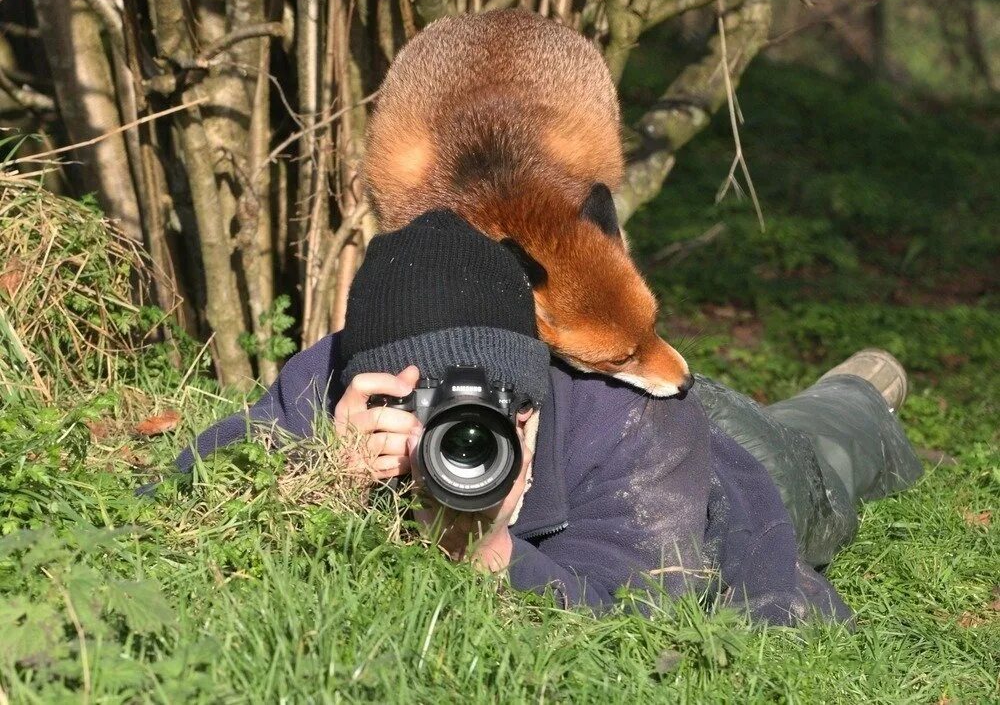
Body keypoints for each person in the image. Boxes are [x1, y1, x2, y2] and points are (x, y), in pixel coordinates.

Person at [159, 210, 923, 626]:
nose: (461, 436)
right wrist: (318, 468)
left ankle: (860, 390)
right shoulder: (338, 382)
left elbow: (638, 615)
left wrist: (490, 553)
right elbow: (186, 496)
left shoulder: (633, 431)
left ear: (533, 396)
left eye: (498, 410)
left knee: (818, 454)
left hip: (723, 457)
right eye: (420, 409)